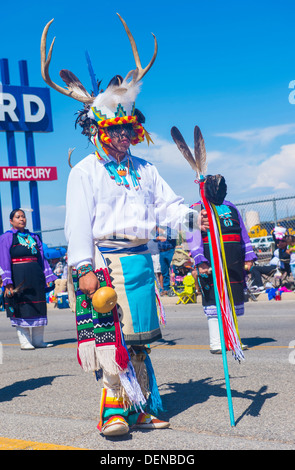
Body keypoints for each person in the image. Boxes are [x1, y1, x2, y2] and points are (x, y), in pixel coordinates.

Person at [40, 16, 208, 437]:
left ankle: (144, 406)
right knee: (110, 342)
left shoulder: (146, 169)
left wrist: (196, 216)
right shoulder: (85, 171)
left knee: (138, 342)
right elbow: (77, 224)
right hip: (103, 262)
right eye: (115, 131)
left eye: (128, 131)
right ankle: (113, 412)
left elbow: (168, 210)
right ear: (99, 129)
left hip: (139, 262)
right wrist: (83, 270)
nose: (122, 138)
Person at [187, 175, 257, 354]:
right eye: (215, 187)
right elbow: (191, 236)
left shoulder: (231, 206)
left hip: (233, 259)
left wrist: (248, 255)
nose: (219, 190)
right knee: (213, 298)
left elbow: (242, 232)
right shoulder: (193, 210)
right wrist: (199, 259)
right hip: (210, 259)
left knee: (232, 298)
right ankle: (217, 342)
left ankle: (233, 339)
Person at [0, 209, 57, 350]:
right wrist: (7, 282)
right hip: (18, 277)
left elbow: (42, 257)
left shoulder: (34, 237)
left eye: (23, 216)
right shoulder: (7, 237)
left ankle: (38, 341)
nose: (22, 219)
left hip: (35, 276)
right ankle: (25, 341)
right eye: (18, 217)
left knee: (38, 306)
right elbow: (3, 259)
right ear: (11, 221)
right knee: (22, 306)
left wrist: (48, 276)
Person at [250, 227, 291, 291]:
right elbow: (274, 238)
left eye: (282, 241)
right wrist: (275, 231)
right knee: (253, 267)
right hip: (271, 266)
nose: (280, 242)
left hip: (277, 268)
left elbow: (282, 257)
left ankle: (260, 286)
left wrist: (280, 248)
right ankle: (255, 285)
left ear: (287, 243)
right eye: (279, 241)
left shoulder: (286, 250)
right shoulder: (278, 248)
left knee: (255, 269)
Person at [158, 227, 177, 296]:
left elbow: (173, 236)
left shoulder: (172, 227)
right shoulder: (158, 227)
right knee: (164, 271)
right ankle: (166, 289)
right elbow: (153, 238)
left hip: (170, 251)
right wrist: (158, 238)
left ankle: (176, 288)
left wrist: (163, 232)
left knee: (173, 270)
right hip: (161, 252)